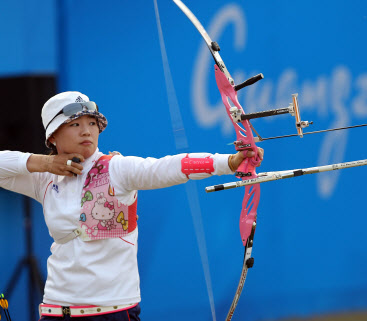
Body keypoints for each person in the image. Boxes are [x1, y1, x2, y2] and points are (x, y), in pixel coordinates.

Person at [0, 91, 263, 320]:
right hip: (57, 311)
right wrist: (45, 163)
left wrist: (229, 162)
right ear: (53, 136)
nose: (86, 130)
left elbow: (169, 166)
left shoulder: (117, 168)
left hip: (113, 311)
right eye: (75, 124)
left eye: (92, 123)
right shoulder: (44, 179)